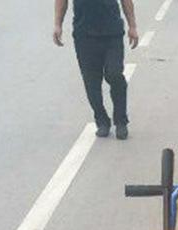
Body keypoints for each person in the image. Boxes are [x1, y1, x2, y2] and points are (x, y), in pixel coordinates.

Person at [54, 0, 139, 141]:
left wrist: (132, 26)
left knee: (114, 74)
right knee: (91, 82)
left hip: (112, 33)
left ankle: (121, 120)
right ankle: (101, 120)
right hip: (84, 35)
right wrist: (58, 24)